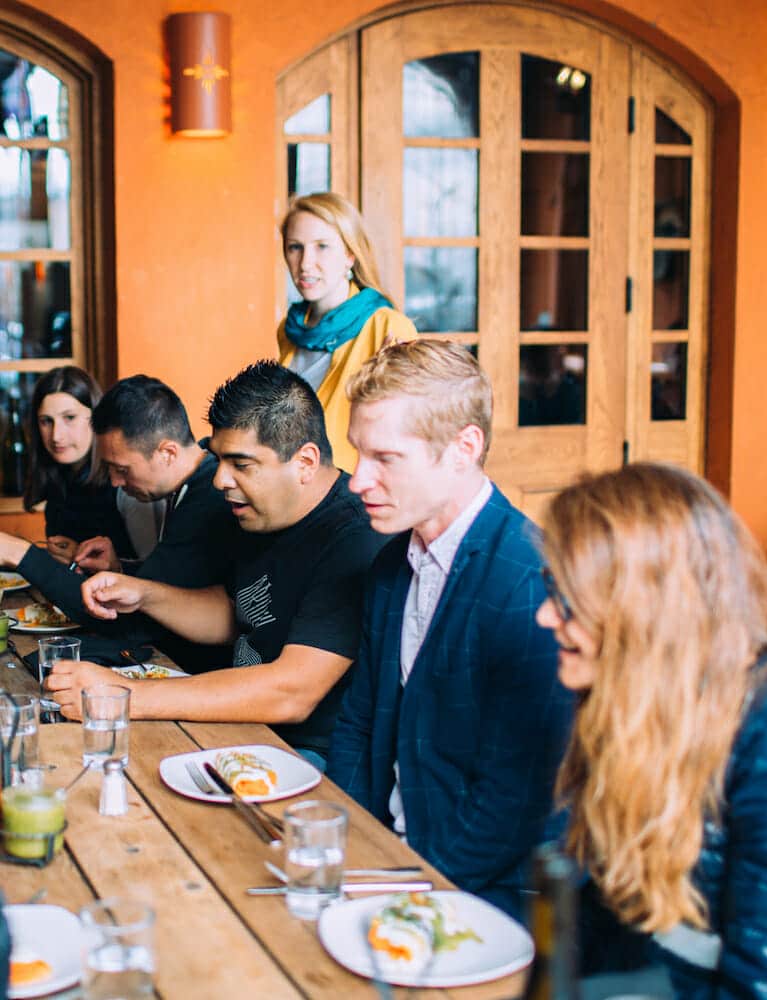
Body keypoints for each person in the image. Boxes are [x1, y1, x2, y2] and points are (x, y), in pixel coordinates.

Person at [535, 463, 767, 998]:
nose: (545, 617)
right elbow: (601, 927)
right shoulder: (632, 696)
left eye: (568, 598)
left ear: (642, 605)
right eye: (553, 586)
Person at [326, 340, 574, 918]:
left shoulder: (527, 582)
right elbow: (359, 724)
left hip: (487, 896)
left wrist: (410, 890)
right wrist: (350, 844)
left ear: (464, 448)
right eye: (358, 454)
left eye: (385, 458)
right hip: (387, 862)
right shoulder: (391, 564)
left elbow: (515, 800)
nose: (358, 480)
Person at [47, 361, 387, 767]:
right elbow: (233, 615)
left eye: (241, 465)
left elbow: (293, 691)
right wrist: (143, 593)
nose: (219, 480)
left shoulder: (356, 536)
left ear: (305, 463)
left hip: (307, 751)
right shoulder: (258, 511)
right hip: (241, 727)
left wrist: (122, 694)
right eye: (219, 459)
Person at [0, 375, 237, 670]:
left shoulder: (207, 500)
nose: (114, 481)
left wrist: (19, 553)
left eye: (121, 469)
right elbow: (171, 586)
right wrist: (121, 568)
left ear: (168, 453)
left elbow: (124, 620)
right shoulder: (190, 484)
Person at [277, 191, 417, 472]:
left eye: (322, 246)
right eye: (295, 247)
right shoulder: (289, 329)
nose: (305, 263)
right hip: (296, 486)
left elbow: (411, 434)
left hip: (351, 490)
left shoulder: (388, 326)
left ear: (350, 255)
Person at [22, 366, 134, 564]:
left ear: (96, 417)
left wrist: (81, 558)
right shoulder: (57, 478)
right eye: (46, 421)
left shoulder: (124, 483)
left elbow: (150, 572)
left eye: (70, 418)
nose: (57, 436)